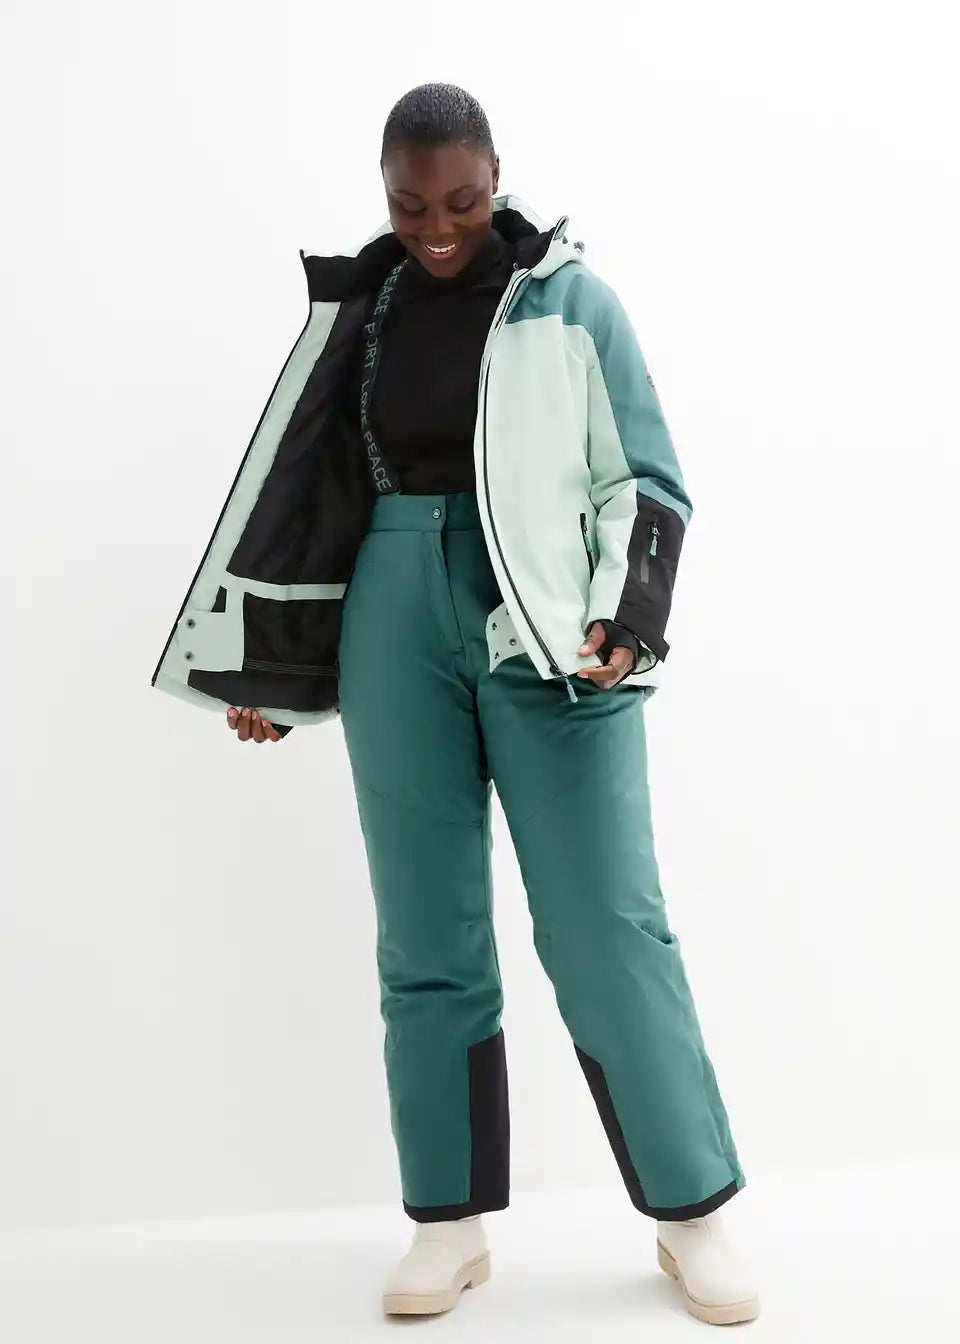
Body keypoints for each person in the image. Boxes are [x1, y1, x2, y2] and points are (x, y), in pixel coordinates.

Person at [151, 82, 759, 1326]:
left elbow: (646, 479)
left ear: (497, 179)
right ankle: (448, 1221)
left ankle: (693, 1210)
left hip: (553, 629)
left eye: (463, 201)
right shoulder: (362, 311)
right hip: (392, 609)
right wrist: (275, 675)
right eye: (410, 204)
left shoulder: (570, 304)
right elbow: (311, 498)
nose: (437, 227)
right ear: (385, 193)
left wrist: (627, 617)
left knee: (607, 929)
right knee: (425, 939)